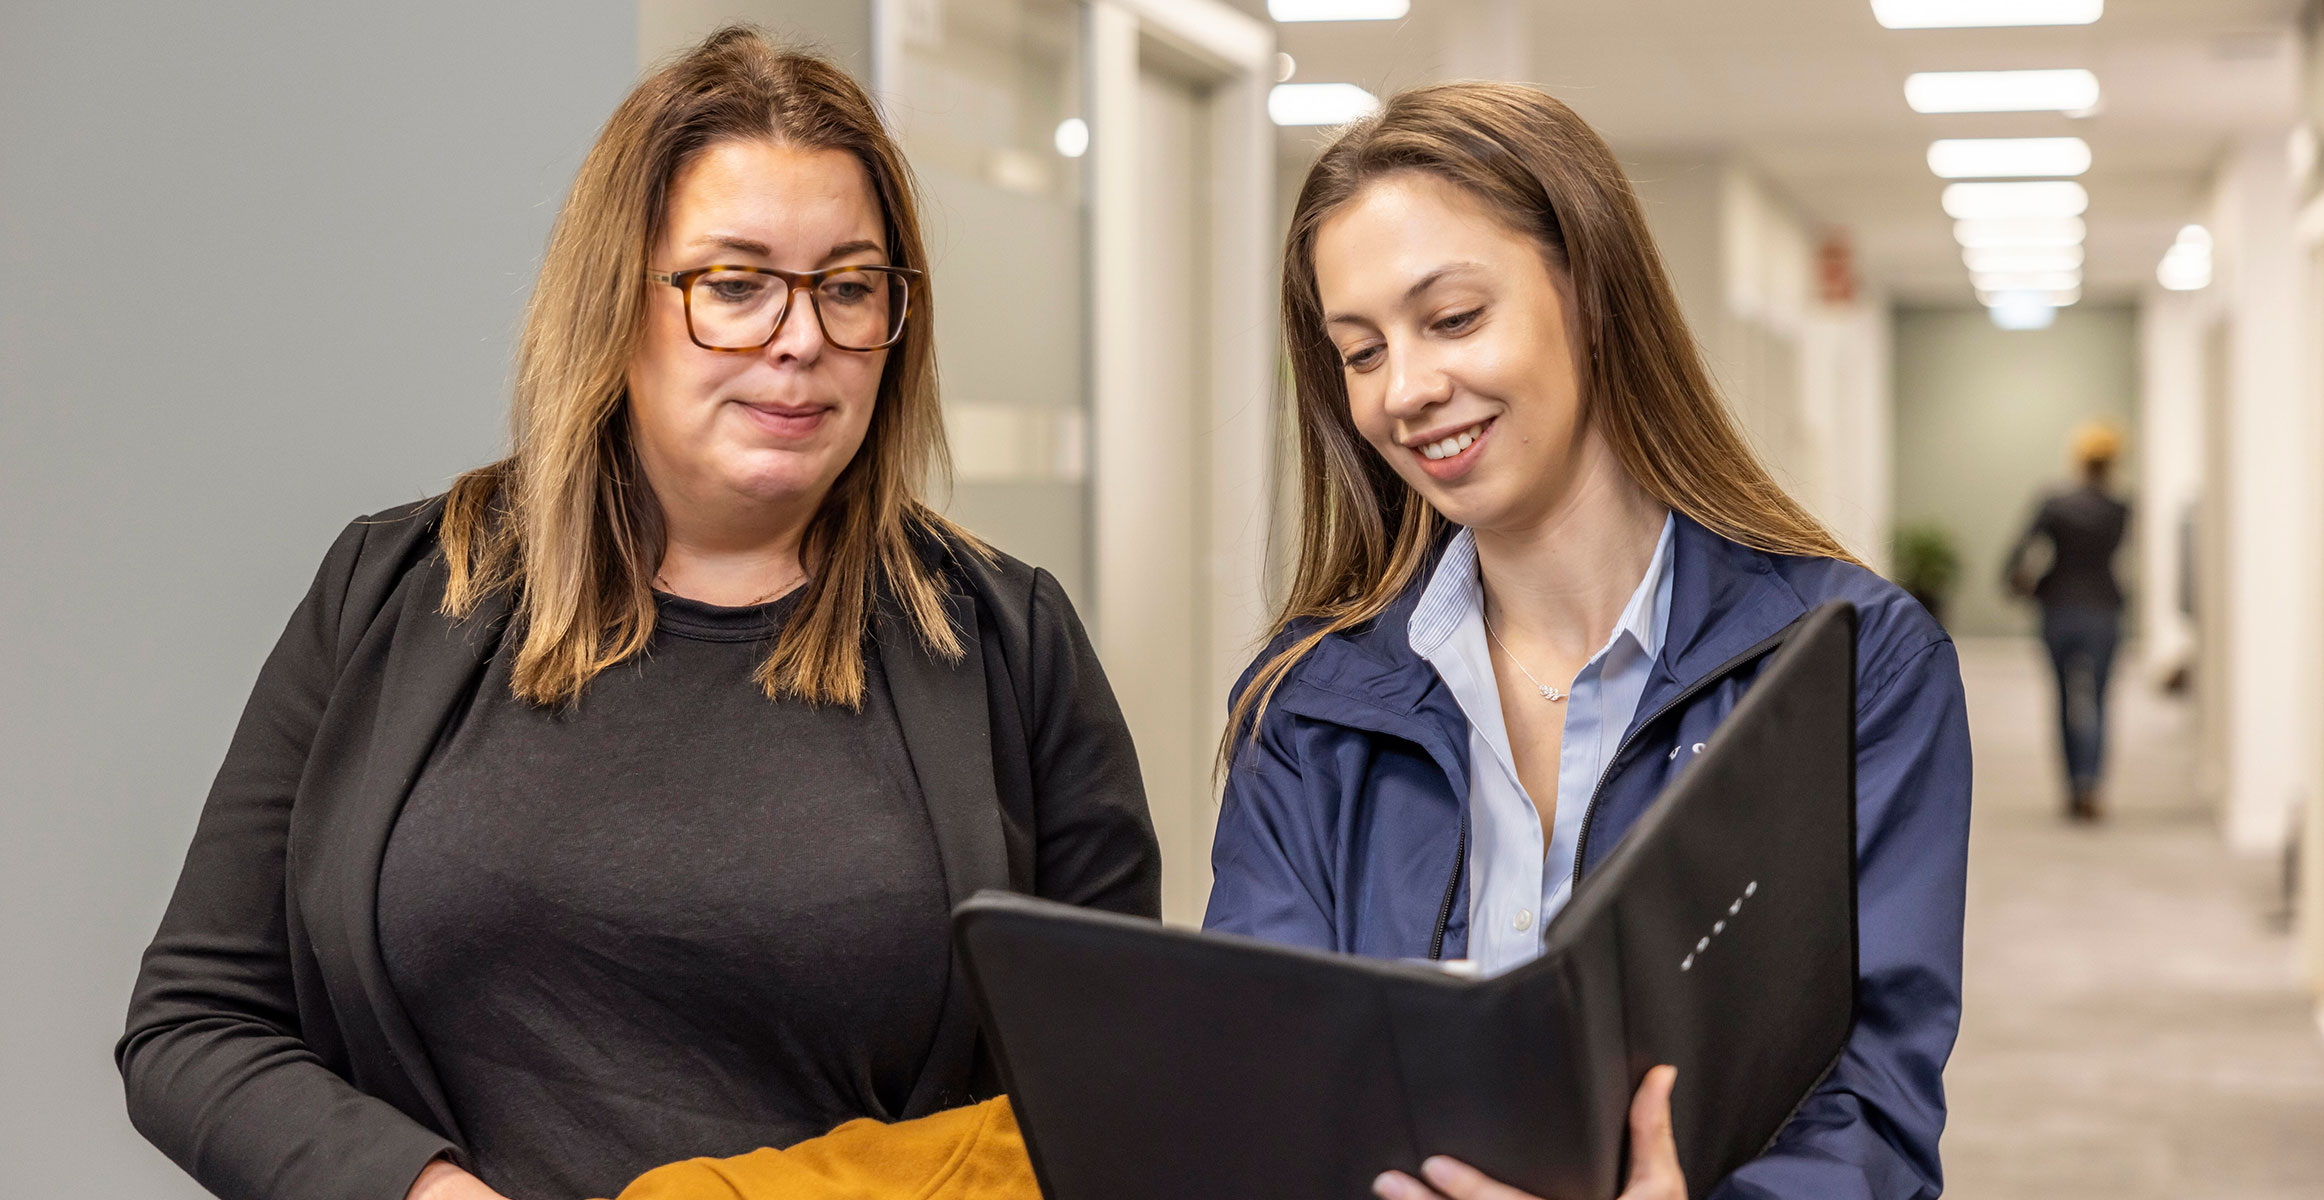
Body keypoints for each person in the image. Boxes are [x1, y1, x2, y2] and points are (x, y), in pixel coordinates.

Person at [117, 28, 1158, 1200]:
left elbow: (1097, 1109)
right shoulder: (398, 590)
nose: (801, 337)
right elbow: (195, 1027)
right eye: (735, 283)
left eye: (850, 286)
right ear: (618, 299)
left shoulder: (1005, 645)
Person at [1204, 83, 1971, 1200]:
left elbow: (1870, 1116)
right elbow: (1257, 1087)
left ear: (1591, 293)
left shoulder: (1850, 668)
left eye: (1452, 319)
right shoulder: (1307, 702)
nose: (1405, 391)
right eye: (1359, 352)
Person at [2005, 421, 2131, 822]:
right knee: (2096, 699)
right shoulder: (2121, 508)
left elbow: (2019, 555)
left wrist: (2021, 585)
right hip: (2104, 608)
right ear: (2114, 461)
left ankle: (2070, 787)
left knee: (2062, 697)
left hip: (2058, 606)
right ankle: (2090, 783)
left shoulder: (2053, 503)